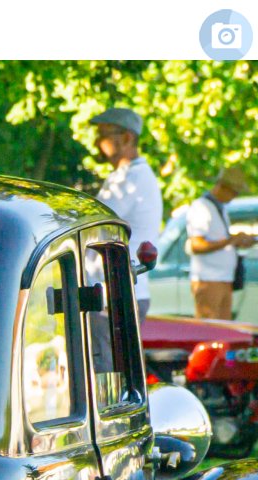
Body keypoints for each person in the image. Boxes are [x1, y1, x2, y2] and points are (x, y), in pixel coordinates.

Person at [88, 107, 163, 321]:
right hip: (113, 294)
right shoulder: (125, 176)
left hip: (116, 297)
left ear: (128, 138)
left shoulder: (132, 179)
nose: (97, 142)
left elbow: (90, 223)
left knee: (105, 356)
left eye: (103, 135)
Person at [185, 166, 255, 319]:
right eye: (234, 192)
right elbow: (196, 244)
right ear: (222, 187)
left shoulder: (220, 208)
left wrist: (237, 242)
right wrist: (229, 241)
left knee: (224, 330)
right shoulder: (202, 207)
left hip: (224, 277)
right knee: (209, 331)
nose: (234, 197)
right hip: (208, 279)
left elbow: (220, 240)